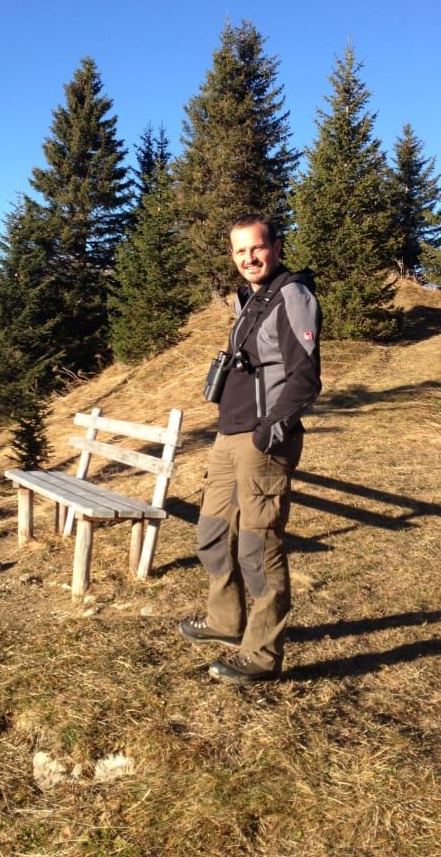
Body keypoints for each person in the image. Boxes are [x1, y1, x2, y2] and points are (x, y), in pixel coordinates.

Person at [179, 213, 322, 683]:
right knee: (212, 533)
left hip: (262, 440)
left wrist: (269, 431)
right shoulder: (252, 300)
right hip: (229, 435)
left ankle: (261, 654)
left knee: (258, 547)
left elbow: (305, 379)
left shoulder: (292, 295)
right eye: (240, 251)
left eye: (257, 248)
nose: (249, 258)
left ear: (276, 247)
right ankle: (225, 621)